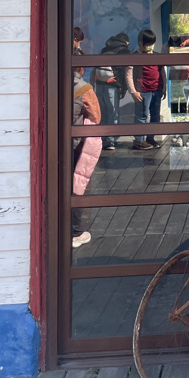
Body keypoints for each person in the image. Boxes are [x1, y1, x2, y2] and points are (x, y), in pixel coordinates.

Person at [72, 66, 102, 248]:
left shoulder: (52, 82)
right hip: (75, 142)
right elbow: (96, 117)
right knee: (76, 186)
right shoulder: (83, 88)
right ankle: (75, 233)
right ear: (81, 68)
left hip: (50, 144)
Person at [125, 29, 166, 150]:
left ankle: (150, 138)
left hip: (157, 90)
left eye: (152, 44)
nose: (150, 47)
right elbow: (128, 74)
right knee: (141, 116)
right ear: (140, 43)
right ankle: (139, 140)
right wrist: (133, 91)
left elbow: (162, 72)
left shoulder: (157, 56)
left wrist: (164, 88)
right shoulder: (135, 56)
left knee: (155, 116)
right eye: (148, 44)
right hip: (142, 92)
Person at [92, 31, 129, 151]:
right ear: (126, 42)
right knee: (113, 112)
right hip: (112, 85)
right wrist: (123, 89)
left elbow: (95, 67)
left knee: (102, 112)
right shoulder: (124, 51)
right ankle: (111, 140)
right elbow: (124, 72)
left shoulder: (104, 49)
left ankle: (102, 139)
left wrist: (92, 83)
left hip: (99, 84)